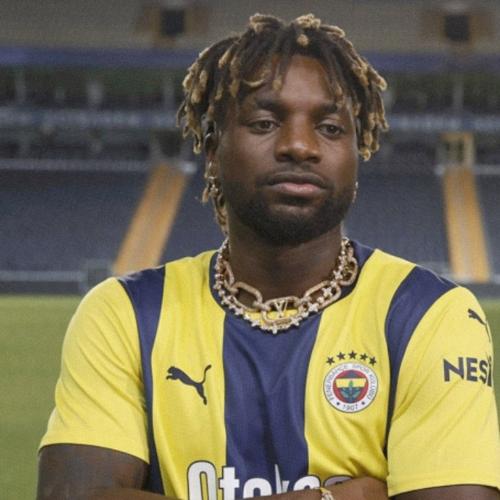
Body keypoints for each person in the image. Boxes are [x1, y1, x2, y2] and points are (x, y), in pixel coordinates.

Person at [37, 13, 500, 500]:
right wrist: (333, 497)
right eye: (264, 123)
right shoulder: (125, 314)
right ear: (212, 148)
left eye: (330, 127)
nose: (299, 146)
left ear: (356, 151)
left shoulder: (430, 316)